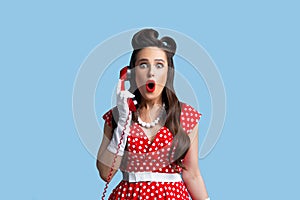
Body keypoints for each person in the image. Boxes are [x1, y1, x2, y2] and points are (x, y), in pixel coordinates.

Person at [96, 28, 209, 200]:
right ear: (131, 73)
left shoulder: (185, 116)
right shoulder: (116, 117)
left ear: (168, 72)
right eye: (143, 64)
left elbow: (192, 174)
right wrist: (123, 123)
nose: (151, 73)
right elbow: (106, 174)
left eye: (159, 65)